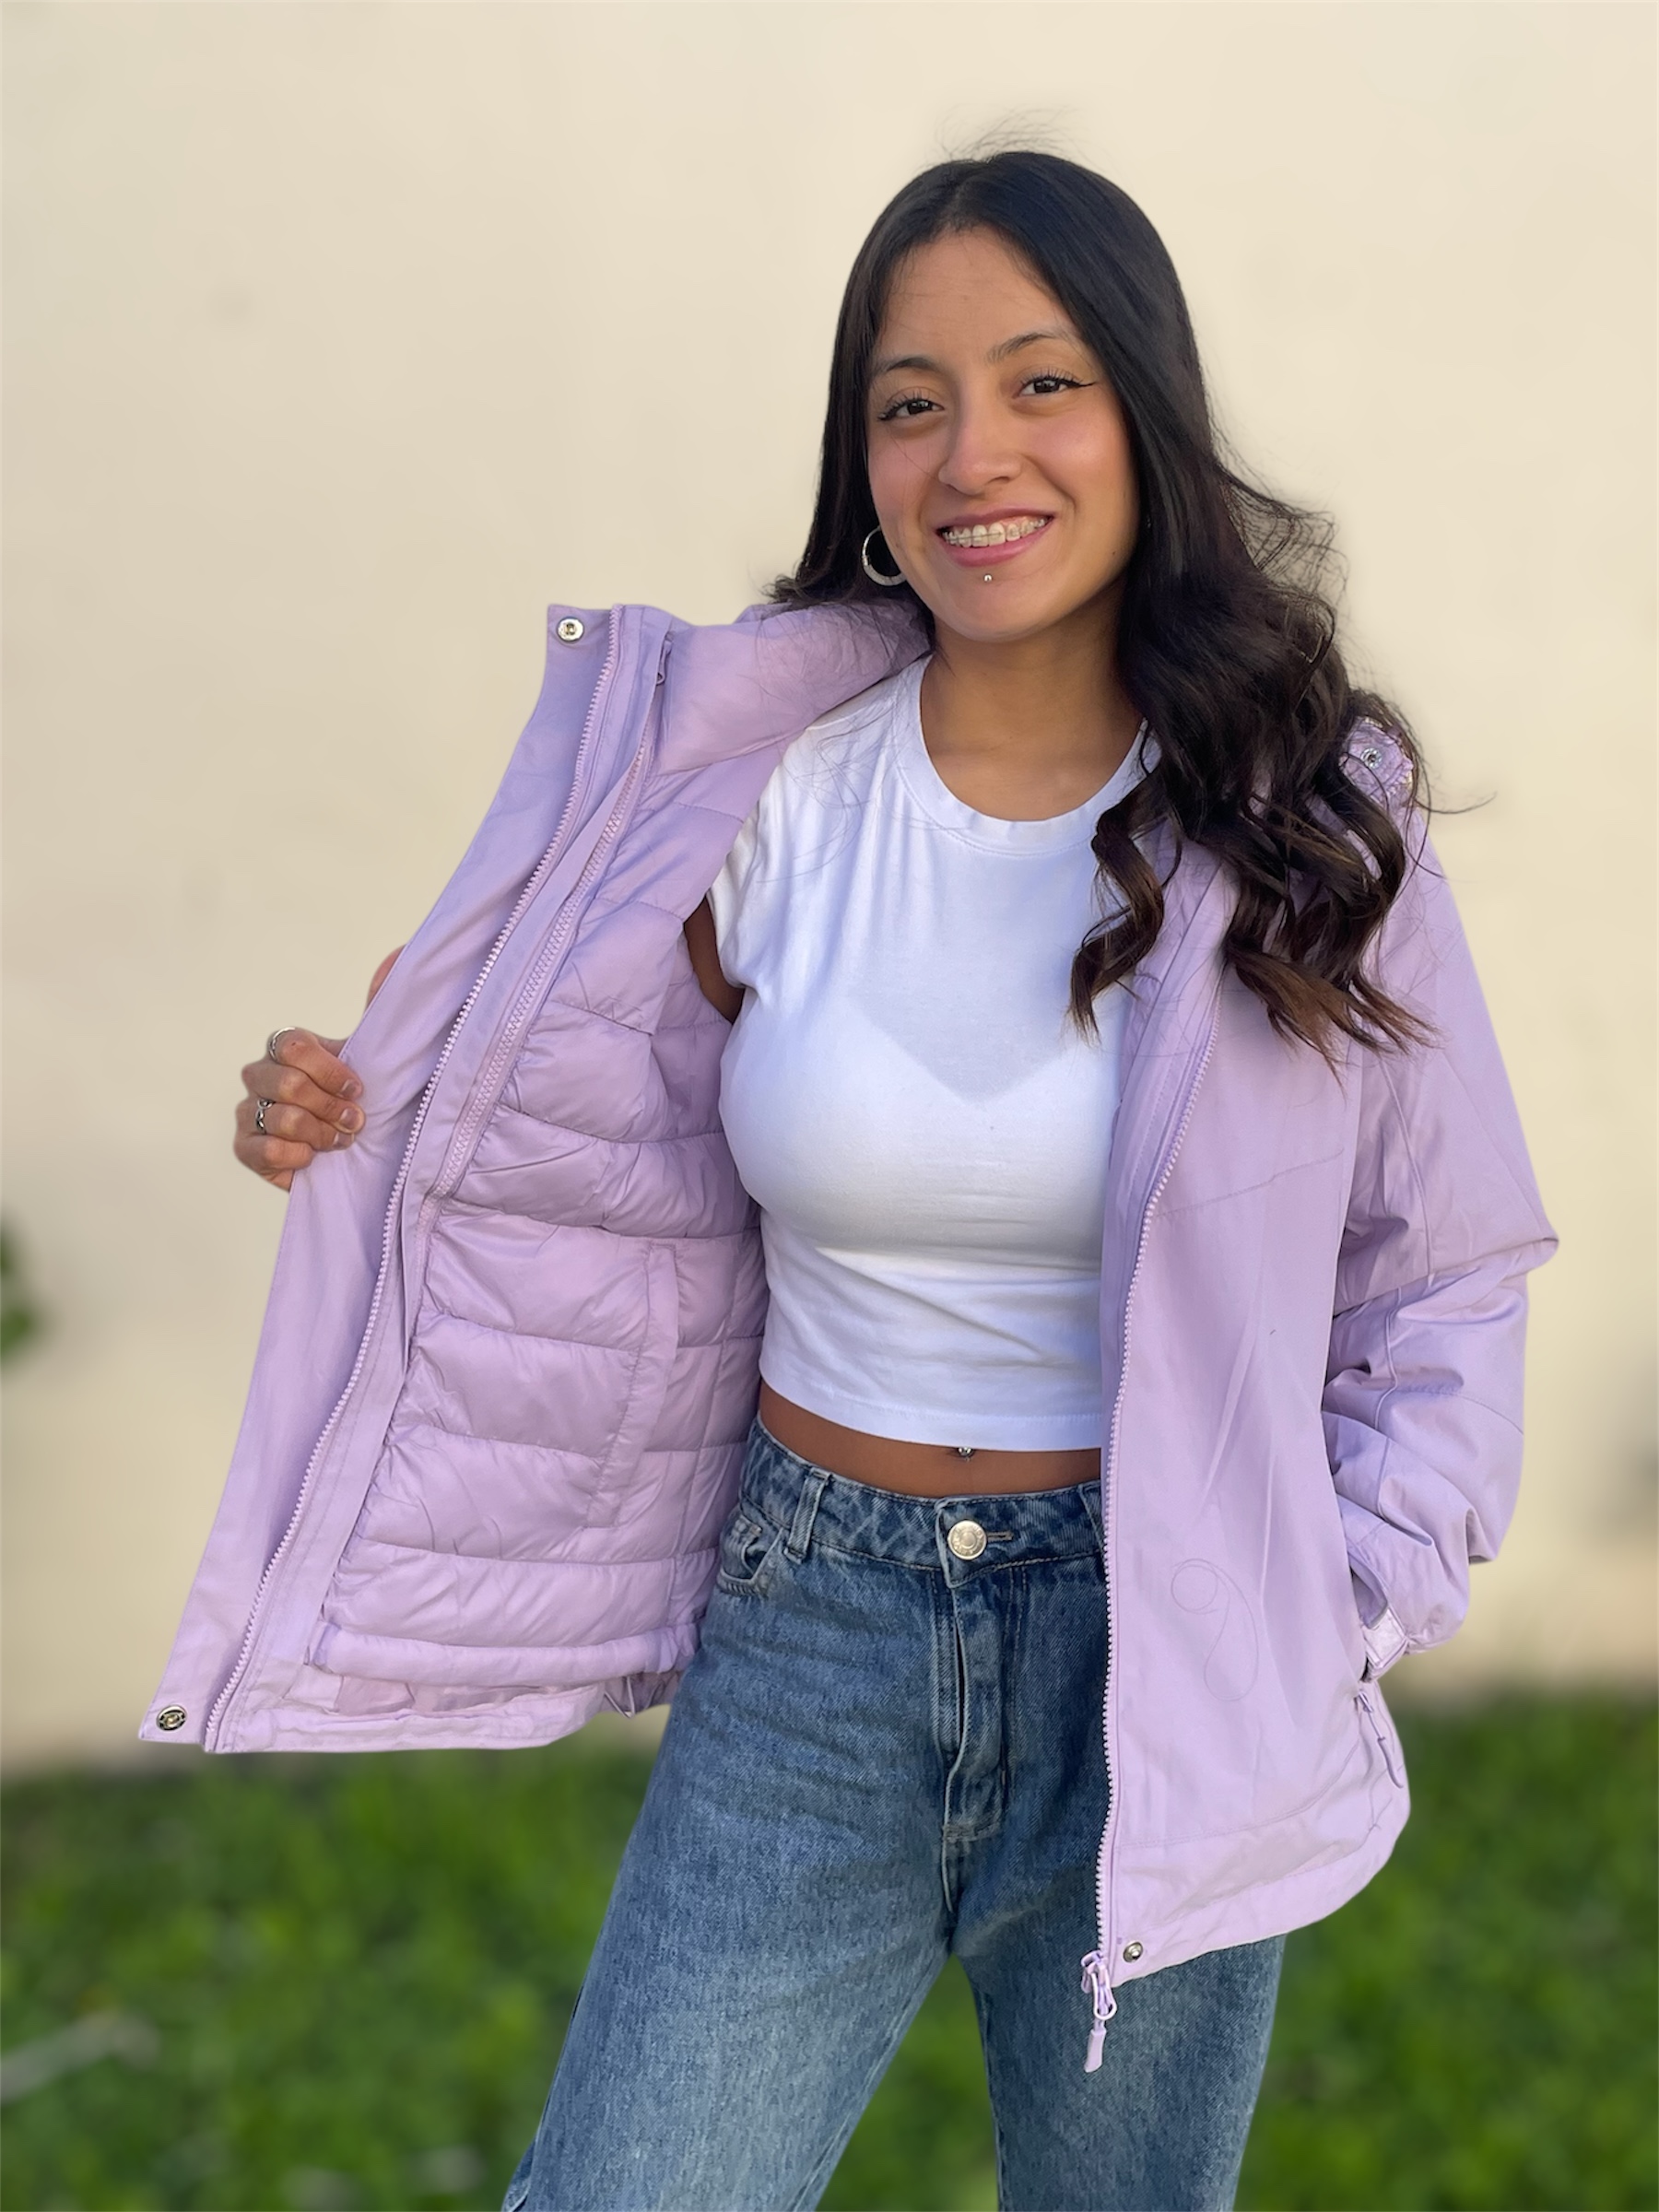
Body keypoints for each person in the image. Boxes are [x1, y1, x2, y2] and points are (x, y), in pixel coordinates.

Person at [147, 152, 1554, 2211]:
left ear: (1145, 416)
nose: (973, 455)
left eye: (1041, 383)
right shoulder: (758, 793)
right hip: (813, 1633)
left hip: (1172, 1649)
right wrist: (341, 1115)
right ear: (866, 460)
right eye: (911, 403)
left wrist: (1337, 1602)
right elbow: (537, 1130)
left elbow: (1448, 1268)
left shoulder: (1309, 826)